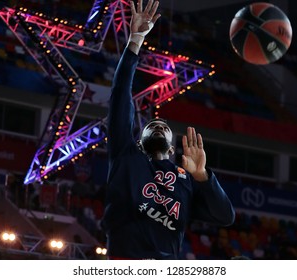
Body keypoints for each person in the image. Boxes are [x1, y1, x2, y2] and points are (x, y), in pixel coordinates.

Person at [100, 0, 235, 260]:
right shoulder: (126, 156)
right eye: (153, 126)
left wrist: (203, 178)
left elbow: (225, 216)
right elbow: (120, 95)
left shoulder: (185, 180)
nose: (159, 126)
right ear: (139, 142)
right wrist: (135, 41)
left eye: (164, 127)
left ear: (173, 149)